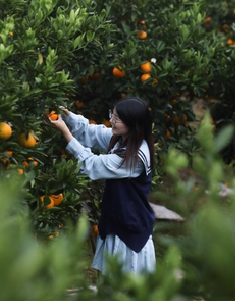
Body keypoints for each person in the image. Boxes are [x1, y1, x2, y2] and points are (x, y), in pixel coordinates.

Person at [49, 97, 156, 275]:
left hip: (130, 230)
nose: (112, 121)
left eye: (117, 119)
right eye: (112, 116)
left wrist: (67, 135)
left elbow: (94, 165)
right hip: (117, 221)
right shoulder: (123, 138)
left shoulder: (136, 156)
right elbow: (92, 132)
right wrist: (67, 115)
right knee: (112, 286)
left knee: (127, 287)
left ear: (133, 123)